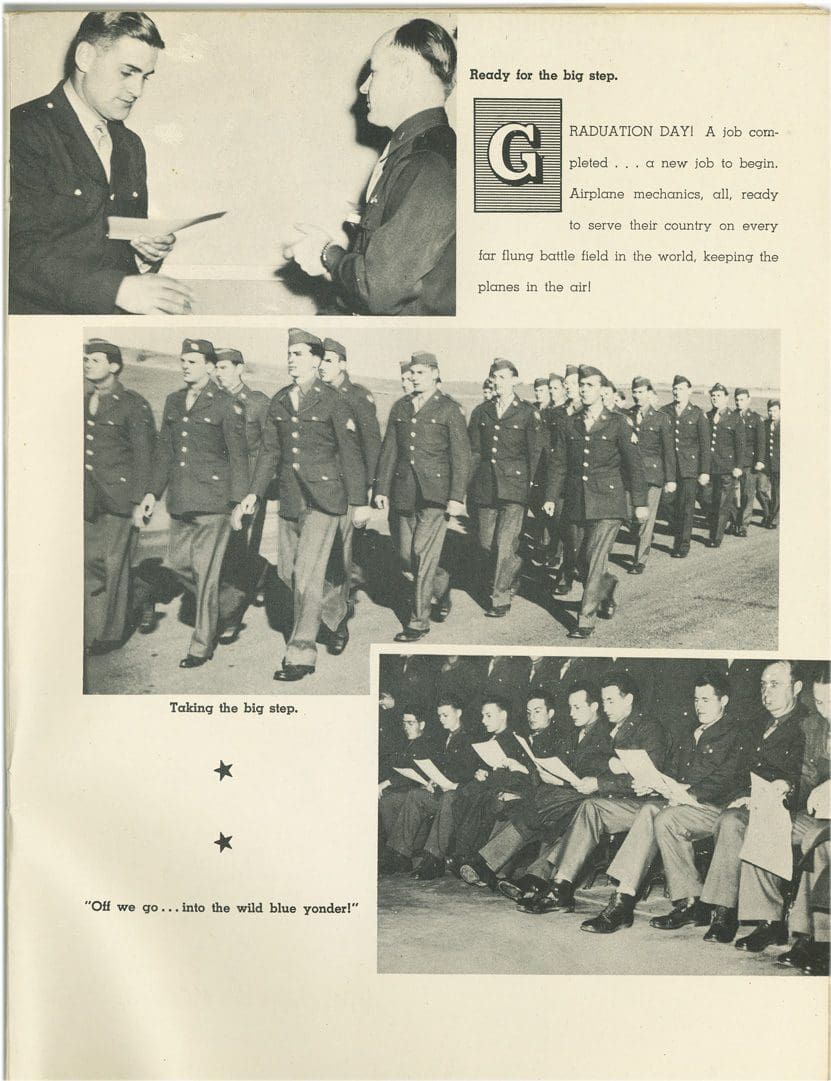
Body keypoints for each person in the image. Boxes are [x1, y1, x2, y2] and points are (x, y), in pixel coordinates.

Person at [9, 11, 192, 315]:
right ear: (85, 57)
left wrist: (146, 254)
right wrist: (115, 289)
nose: (138, 91)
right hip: (43, 329)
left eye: (144, 77)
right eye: (127, 72)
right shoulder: (21, 130)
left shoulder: (130, 146)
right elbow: (15, 254)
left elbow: (117, 251)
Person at [287, 18, 456, 316]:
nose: (364, 87)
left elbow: (378, 290)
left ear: (404, 75)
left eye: (374, 73)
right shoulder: (410, 152)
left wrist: (327, 253)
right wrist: (330, 267)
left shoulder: (427, 162)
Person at [236, 329, 368, 681]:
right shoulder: (280, 400)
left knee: (307, 576)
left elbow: (351, 454)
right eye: (289, 353)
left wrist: (360, 502)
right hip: (291, 498)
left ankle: (301, 653)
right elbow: (270, 452)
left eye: (298, 353)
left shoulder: (335, 401)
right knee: (289, 573)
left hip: (326, 500)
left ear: (315, 359)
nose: (291, 359)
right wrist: (253, 493)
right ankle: (336, 617)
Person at [578, 669, 745, 934]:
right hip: (681, 803)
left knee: (659, 814)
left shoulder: (736, 732)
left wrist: (688, 792)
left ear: (723, 701)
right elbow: (672, 770)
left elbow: (729, 776)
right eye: (695, 700)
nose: (698, 706)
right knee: (650, 810)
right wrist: (654, 782)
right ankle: (628, 896)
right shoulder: (690, 732)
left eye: (705, 700)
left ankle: (625, 903)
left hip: (713, 808)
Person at [521, 671, 667, 915]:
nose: (605, 707)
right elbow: (595, 761)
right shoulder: (613, 729)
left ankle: (551, 881)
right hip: (616, 800)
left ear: (628, 699)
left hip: (643, 804)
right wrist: (607, 768)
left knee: (585, 805)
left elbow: (647, 777)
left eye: (611, 701)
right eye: (604, 700)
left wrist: (601, 782)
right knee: (589, 808)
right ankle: (560, 888)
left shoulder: (649, 728)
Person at [141, 339, 249, 668]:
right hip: (182, 500)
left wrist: (238, 503)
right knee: (176, 565)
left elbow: (238, 457)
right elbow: (165, 452)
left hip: (214, 503)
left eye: (193, 361)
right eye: (183, 360)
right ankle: (230, 603)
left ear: (209, 366)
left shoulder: (225, 403)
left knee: (205, 574)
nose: (186, 365)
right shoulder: (174, 401)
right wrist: (151, 493)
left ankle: (200, 645)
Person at [698, 661, 807, 944]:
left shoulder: (805, 724)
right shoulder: (756, 723)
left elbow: (806, 773)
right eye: (763, 685)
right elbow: (738, 768)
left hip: (788, 804)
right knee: (730, 819)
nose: (766, 692)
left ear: (796, 688)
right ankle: (725, 912)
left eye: (775, 685)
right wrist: (742, 794)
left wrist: (784, 788)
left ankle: (770, 921)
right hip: (753, 799)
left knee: (762, 823)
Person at [730, 666, 829, 957]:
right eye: (821, 703)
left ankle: (814, 936)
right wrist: (787, 786)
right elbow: (808, 775)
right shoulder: (815, 726)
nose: (827, 713)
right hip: (820, 813)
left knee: (816, 840)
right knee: (766, 821)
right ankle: (769, 920)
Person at [374, 351, 471, 641]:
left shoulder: (449, 409)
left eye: (420, 372)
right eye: (412, 373)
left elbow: (461, 457)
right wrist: (381, 489)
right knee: (406, 557)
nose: (414, 377)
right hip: (404, 492)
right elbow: (390, 450)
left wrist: (456, 496)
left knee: (422, 554)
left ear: (434, 374)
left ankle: (418, 621)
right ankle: (441, 587)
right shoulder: (401, 407)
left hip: (436, 495)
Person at [548, 365, 648, 639]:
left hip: (608, 503)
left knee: (593, 560)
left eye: (589, 385)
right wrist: (549, 496)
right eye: (581, 385)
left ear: (603, 390)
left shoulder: (617, 423)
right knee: (580, 560)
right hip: (577, 502)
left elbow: (635, 466)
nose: (583, 390)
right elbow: (558, 464)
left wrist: (640, 502)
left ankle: (585, 620)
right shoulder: (569, 423)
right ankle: (607, 587)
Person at [83, 338, 156, 654]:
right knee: (89, 560)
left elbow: (144, 455)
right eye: (86, 359)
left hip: (121, 496)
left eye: (95, 360)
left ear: (113, 366)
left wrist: (141, 499)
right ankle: (140, 592)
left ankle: (110, 635)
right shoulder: (86, 400)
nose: (87, 364)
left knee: (113, 564)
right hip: (90, 497)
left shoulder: (132, 403)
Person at [467, 359, 544, 618]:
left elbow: (535, 453)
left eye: (502, 377)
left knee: (504, 543)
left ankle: (499, 598)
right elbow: (474, 451)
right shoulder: (481, 411)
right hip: (486, 485)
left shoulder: (527, 412)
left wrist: (532, 487)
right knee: (485, 543)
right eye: (494, 377)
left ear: (514, 380)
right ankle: (515, 568)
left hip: (515, 487)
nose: (497, 382)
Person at [211, 348, 271, 645]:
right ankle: (261, 572)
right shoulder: (211, 402)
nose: (218, 372)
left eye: (223, 367)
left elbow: (270, 449)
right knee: (220, 552)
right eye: (216, 368)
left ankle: (230, 617)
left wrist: (256, 491)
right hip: (215, 490)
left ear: (239, 369)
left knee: (237, 554)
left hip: (247, 491)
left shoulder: (258, 403)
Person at [386, 695, 481, 880]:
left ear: (459, 713)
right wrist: (434, 781)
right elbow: (444, 769)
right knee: (415, 795)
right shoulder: (445, 737)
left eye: (445, 715)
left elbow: (471, 773)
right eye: (439, 716)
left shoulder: (470, 738)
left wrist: (455, 785)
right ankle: (400, 854)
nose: (441, 719)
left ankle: (434, 858)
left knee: (448, 797)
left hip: (461, 797)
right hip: (445, 791)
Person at [627, 376, 676, 574]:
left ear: (649, 393)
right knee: (630, 515)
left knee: (647, 518)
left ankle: (640, 560)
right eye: (635, 392)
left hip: (652, 476)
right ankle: (642, 537)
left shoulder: (660, 418)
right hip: (630, 474)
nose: (637, 396)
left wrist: (671, 479)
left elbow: (668, 451)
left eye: (641, 392)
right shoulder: (626, 416)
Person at [662, 374, 710, 559]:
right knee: (666, 503)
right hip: (670, 466)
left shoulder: (697, 413)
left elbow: (705, 445)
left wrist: (704, 470)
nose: (677, 392)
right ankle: (677, 530)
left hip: (689, 468)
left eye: (681, 389)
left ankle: (682, 544)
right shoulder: (665, 412)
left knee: (687, 507)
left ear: (689, 391)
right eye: (675, 389)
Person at [704, 383, 746, 549]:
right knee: (708, 499)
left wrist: (739, 466)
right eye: (713, 396)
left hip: (727, 468)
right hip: (709, 468)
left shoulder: (735, 418)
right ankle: (736, 520)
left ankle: (715, 537)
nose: (715, 398)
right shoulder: (706, 416)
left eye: (719, 396)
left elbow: (740, 445)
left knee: (722, 502)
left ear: (726, 398)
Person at [728, 388, 765, 537]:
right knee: (729, 494)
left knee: (747, 495)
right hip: (732, 462)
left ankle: (743, 525)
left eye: (742, 399)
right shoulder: (730, 417)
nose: (739, 402)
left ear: (749, 400)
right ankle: (734, 520)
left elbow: (761, 442)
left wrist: (760, 460)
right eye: (737, 399)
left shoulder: (756, 419)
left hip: (749, 463)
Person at [757, 398, 781, 529]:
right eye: (770, 411)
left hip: (779, 465)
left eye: (775, 410)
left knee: (777, 493)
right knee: (760, 489)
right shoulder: (764, 424)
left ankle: (773, 519)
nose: (772, 413)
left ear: (780, 411)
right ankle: (768, 513)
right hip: (765, 465)